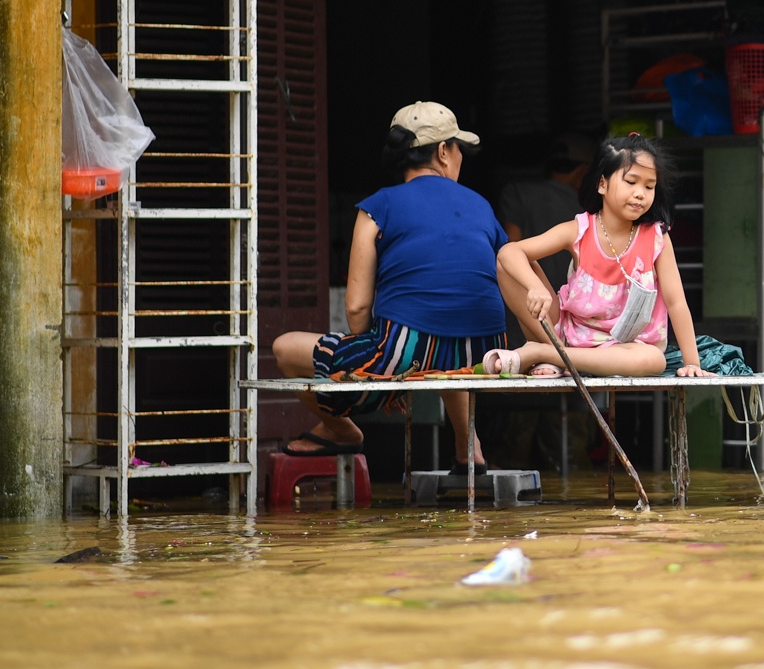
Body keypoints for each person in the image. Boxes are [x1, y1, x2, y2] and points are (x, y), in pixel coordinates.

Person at [271, 101, 508, 471]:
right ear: (443, 152)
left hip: (406, 348)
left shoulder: (377, 206)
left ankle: (341, 430)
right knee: (445, 350)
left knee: (283, 348)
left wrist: (382, 368)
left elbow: (357, 308)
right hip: (485, 352)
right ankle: (469, 449)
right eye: (458, 147)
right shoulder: (480, 205)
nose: (461, 157)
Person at [492, 134, 712, 379]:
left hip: (627, 347)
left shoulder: (657, 236)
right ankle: (553, 350)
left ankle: (545, 354)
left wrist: (692, 363)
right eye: (631, 181)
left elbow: (676, 302)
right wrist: (534, 287)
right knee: (508, 266)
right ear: (602, 184)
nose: (641, 193)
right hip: (565, 335)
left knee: (653, 360)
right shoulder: (579, 229)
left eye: (649, 186)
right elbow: (509, 252)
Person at [496, 132, 597, 292]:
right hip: (578, 302)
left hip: (533, 300)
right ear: (585, 171)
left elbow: (511, 245)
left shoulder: (517, 192)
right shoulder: (592, 206)